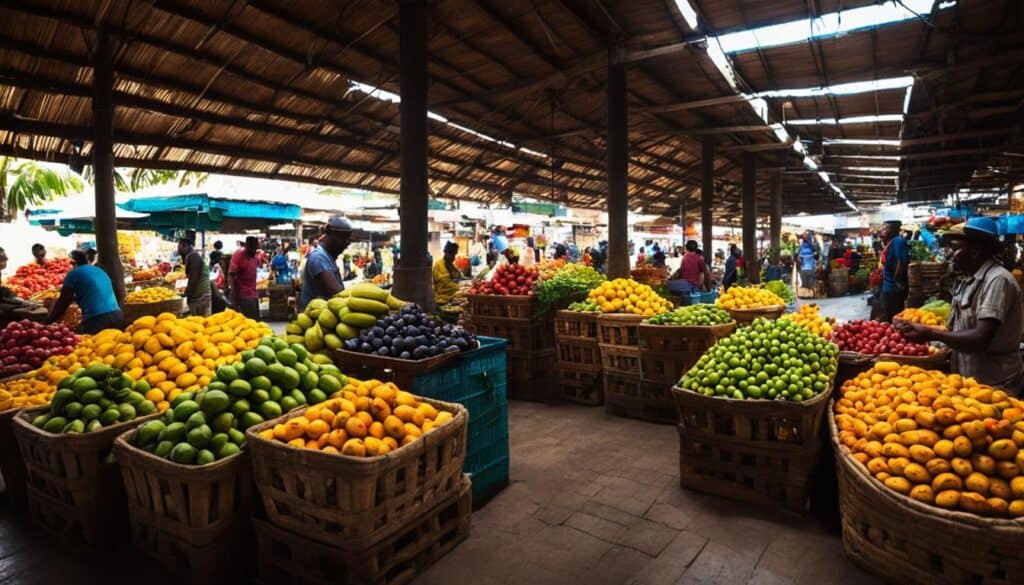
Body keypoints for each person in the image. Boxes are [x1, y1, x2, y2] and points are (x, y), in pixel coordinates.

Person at [896, 217, 1024, 394]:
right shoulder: (968, 279)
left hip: (994, 385)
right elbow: (956, 329)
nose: (948, 254)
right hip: (970, 381)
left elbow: (980, 338)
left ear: (975, 251)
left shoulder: (997, 280)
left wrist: (930, 333)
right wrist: (923, 332)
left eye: (955, 248)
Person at [47, 250, 124, 334]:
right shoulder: (98, 270)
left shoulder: (73, 274)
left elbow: (63, 301)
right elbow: (94, 293)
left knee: (85, 345)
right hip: (118, 315)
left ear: (73, 263)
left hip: (97, 320)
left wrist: (48, 321)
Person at [300, 216, 351, 310]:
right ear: (332, 236)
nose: (347, 243)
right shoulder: (319, 258)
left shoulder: (328, 257)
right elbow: (337, 293)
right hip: (315, 319)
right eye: (344, 239)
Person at [872, 220, 910, 322]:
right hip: (888, 285)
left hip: (893, 287)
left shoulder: (898, 241)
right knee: (885, 313)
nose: (883, 231)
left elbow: (901, 262)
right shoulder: (891, 242)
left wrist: (897, 280)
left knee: (891, 315)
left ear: (893, 230)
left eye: (886, 228)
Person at [178, 234, 212, 317]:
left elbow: (193, 279)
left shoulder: (193, 256)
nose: (178, 249)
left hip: (201, 298)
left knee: (202, 325)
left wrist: (186, 296)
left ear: (183, 245)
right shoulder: (190, 256)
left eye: (178, 246)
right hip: (199, 297)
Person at [229, 236, 261, 319]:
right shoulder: (238, 255)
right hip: (243, 296)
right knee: (247, 322)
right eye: (252, 249)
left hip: (253, 294)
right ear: (246, 247)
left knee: (256, 322)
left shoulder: (255, 257)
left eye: (255, 249)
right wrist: (234, 295)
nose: (254, 252)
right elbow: (231, 275)